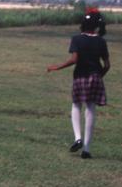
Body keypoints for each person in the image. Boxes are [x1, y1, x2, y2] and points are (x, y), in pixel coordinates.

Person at [47, 8, 110, 159]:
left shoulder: (77, 39)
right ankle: (87, 149)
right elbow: (107, 65)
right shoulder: (101, 41)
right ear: (97, 25)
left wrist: (57, 67)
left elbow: (74, 60)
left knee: (76, 105)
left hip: (80, 76)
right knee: (90, 109)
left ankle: (78, 138)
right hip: (95, 77)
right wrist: (98, 76)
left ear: (83, 24)